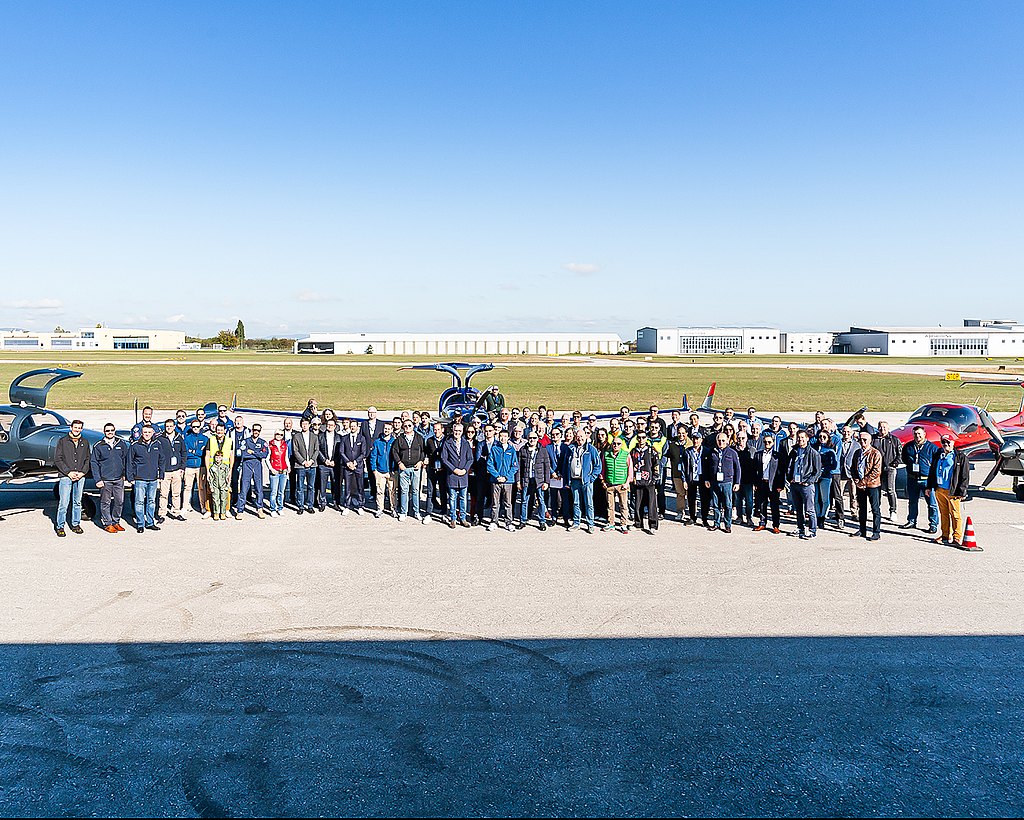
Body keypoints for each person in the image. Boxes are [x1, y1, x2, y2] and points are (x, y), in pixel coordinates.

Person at [927, 435, 971, 547]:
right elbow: (932, 471)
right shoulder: (938, 455)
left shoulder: (960, 457)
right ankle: (945, 535)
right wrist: (930, 486)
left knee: (955, 514)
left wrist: (962, 491)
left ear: (953, 442)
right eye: (943, 442)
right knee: (944, 513)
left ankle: (957, 536)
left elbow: (964, 476)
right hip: (940, 489)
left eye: (948, 442)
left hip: (953, 491)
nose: (945, 444)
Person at [54, 419, 91, 537]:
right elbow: (58, 459)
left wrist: (82, 472)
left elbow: (87, 459)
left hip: (80, 476)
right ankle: (60, 526)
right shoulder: (62, 441)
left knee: (77, 502)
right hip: (66, 476)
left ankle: (76, 524)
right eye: (75, 427)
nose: (77, 430)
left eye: (79, 428)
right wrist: (68, 472)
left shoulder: (84, 442)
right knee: (64, 503)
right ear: (71, 428)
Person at [90, 423, 129, 533]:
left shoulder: (121, 443)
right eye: (108, 431)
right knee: (105, 502)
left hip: (118, 479)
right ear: (104, 432)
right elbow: (94, 463)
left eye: (112, 430)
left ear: (114, 431)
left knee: (120, 501)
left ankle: (116, 521)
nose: (110, 432)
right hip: (105, 479)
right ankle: (108, 523)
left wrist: (125, 474)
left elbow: (125, 459)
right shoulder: (98, 446)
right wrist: (97, 479)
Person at [901, 426, 939, 534]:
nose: (917, 436)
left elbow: (936, 465)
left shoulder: (932, 448)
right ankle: (911, 521)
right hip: (912, 479)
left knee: (931, 503)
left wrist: (932, 481)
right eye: (915, 434)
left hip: (926, 480)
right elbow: (905, 459)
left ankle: (933, 524)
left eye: (919, 434)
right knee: (912, 501)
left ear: (924, 434)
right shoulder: (908, 447)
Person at [126, 424, 163, 533]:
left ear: (153, 433)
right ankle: (140, 524)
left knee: (151, 501)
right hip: (140, 478)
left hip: (153, 478)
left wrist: (161, 475)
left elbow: (162, 460)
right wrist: (130, 477)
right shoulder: (135, 445)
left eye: (149, 432)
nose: (147, 434)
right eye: (145, 432)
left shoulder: (157, 444)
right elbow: (129, 462)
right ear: (142, 433)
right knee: (139, 502)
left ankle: (150, 522)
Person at [787, 429, 823, 539]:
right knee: (798, 508)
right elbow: (789, 466)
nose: (800, 439)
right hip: (795, 484)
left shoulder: (813, 453)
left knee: (809, 509)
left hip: (806, 485)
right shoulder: (794, 451)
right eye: (799, 437)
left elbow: (817, 471)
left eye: (803, 437)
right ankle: (800, 528)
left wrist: (809, 481)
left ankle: (812, 530)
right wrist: (789, 478)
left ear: (807, 439)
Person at [703, 433, 741, 533]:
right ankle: (716, 523)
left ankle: (728, 524)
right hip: (714, 482)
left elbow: (737, 468)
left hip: (727, 482)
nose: (721, 442)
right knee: (716, 504)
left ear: (727, 441)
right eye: (719, 440)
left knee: (728, 505)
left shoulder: (732, 452)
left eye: (723, 440)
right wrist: (706, 479)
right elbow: (706, 467)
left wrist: (737, 482)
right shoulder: (712, 452)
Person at [390, 419, 427, 523]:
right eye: (405, 426)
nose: (407, 428)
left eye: (409, 426)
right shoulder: (400, 439)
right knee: (404, 491)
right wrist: (399, 463)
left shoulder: (419, 438)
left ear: (413, 426)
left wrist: (421, 461)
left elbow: (423, 451)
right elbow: (395, 451)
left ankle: (416, 512)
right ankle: (403, 512)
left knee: (415, 490)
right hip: (404, 468)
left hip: (416, 468)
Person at [566, 428, 600, 533]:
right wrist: (568, 479)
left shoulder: (591, 449)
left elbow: (598, 465)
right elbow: (566, 464)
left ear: (586, 437)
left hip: (586, 481)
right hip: (574, 480)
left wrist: (591, 477)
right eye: (578, 436)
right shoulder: (571, 448)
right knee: (576, 502)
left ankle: (590, 524)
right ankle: (576, 523)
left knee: (589, 503)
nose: (579, 438)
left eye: (581, 436)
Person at [851, 431, 882, 541]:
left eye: (865, 440)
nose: (862, 442)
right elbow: (853, 467)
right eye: (860, 440)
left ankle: (876, 531)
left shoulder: (875, 453)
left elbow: (876, 471)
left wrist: (863, 481)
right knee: (862, 508)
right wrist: (856, 479)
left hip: (872, 485)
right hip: (860, 485)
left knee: (875, 509)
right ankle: (862, 529)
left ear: (870, 441)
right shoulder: (857, 452)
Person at [441, 422, 474, 528]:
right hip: (452, 474)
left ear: (462, 432)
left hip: (463, 475)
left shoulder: (466, 443)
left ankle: (463, 518)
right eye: (456, 431)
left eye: (459, 431)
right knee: (452, 498)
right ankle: (453, 518)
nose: (457, 433)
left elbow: (470, 459)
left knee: (463, 498)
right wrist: (454, 469)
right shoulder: (447, 443)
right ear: (453, 431)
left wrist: (465, 469)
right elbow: (444, 459)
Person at [517, 431, 552, 530]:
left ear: (537, 439)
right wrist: (519, 481)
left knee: (541, 501)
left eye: (534, 438)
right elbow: (519, 467)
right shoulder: (523, 450)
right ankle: (523, 520)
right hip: (527, 479)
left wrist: (546, 482)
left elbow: (547, 467)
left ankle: (542, 521)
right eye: (530, 438)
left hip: (539, 480)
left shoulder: (543, 450)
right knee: (524, 501)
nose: (532, 440)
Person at [487, 428, 519, 531]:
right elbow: (489, 464)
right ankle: (494, 521)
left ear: (508, 438)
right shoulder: (494, 448)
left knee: (507, 503)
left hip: (508, 481)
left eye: (505, 436)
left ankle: (508, 522)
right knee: (495, 502)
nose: (503, 438)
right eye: (501, 436)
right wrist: (497, 476)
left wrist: (506, 477)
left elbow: (514, 466)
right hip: (495, 480)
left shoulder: (511, 450)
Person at [235, 424, 269, 520]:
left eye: (258, 430)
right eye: (254, 430)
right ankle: (240, 510)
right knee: (244, 489)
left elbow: (264, 454)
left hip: (257, 466)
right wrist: (257, 454)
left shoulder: (263, 442)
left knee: (259, 489)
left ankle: (260, 508)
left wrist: (253, 452)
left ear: (260, 431)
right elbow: (244, 454)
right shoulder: (245, 441)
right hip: (247, 465)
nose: (256, 432)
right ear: (252, 430)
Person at [156, 419, 186, 523]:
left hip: (177, 470)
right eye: (167, 426)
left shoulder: (179, 438)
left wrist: (182, 467)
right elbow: (158, 454)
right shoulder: (160, 439)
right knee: (163, 494)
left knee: (176, 493)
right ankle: (162, 513)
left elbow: (183, 453)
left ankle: (176, 512)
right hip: (165, 471)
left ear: (174, 427)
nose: (169, 428)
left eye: (170, 426)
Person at [753, 432, 783, 533]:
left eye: (769, 442)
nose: (767, 444)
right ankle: (762, 523)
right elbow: (755, 470)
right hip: (762, 483)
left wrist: (780, 485)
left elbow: (781, 471)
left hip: (773, 484)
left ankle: (775, 525)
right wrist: (755, 483)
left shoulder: (777, 455)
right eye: (765, 442)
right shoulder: (758, 454)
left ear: (773, 443)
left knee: (774, 505)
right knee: (762, 504)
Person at [630, 431, 660, 534]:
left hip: (649, 482)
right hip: (637, 482)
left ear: (646, 438)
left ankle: (653, 525)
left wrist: (655, 478)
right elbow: (630, 465)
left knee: (651, 504)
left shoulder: (651, 450)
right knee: (638, 504)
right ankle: (638, 523)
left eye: (643, 437)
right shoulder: (633, 451)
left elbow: (656, 464)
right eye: (639, 437)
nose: (641, 439)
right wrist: (632, 477)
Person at [602, 436, 633, 533]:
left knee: (623, 505)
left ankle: (623, 524)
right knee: (610, 505)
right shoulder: (606, 454)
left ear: (622, 445)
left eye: (618, 444)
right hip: (610, 484)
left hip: (622, 484)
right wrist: (603, 481)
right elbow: (603, 469)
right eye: (614, 443)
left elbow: (630, 470)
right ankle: (611, 523)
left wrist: (627, 482)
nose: (616, 445)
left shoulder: (626, 454)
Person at [873, 421, 902, 520]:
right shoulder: (874, 439)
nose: (882, 429)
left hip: (890, 468)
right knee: (876, 489)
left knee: (890, 490)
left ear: (888, 428)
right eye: (880, 427)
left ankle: (893, 511)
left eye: (884, 427)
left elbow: (899, 454)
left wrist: (894, 464)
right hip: (877, 469)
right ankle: (876, 509)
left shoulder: (894, 440)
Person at [204, 423, 233, 517]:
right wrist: (208, 470)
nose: (219, 432)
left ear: (225, 431)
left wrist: (230, 470)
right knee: (210, 490)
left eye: (221, 430)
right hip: (213, 469)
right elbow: (207, 455)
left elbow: (231, 456)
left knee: (226, 490)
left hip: (225, 469)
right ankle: (209, 510)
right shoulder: (211, 440)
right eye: (218, 430)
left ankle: (226, 510)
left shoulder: (229, 441)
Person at [369, 421, 396, 518]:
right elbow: (373, 456)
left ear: (391, 430)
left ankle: (393, 508)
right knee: (380, 491)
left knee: (392, 491)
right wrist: (374, 469)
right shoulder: (377, 442)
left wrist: (394, 468)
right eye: (385, 429)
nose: (387, 430)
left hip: (391, 471)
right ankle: (380, 508)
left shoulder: (394, 441)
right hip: (380, 471)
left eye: (389, 429)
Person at [182, 419, 209, 519]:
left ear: (200, 427)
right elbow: (186, 453)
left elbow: (205, 453)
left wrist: (194, 451)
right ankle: (185, 506)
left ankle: (203, 506)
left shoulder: (205, 439)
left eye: (197, 427)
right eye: (194, 427)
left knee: (201, 487)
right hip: (189, 466)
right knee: (187, 487)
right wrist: (197, 452)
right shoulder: (187, 439)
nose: (195, 429)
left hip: (200, 466)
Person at [340, 419, 367, 514]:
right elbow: (342, 452)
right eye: (351, 426)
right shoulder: (344, 438)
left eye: (354, 426)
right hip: (347, 467)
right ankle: (347, 505)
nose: (353, 427)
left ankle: (360, 505)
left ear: (357, 427)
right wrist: (347, 462)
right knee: (347, 486)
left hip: (358, 466)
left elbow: (363, 453)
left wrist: (355, 462)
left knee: (360, 486)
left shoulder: (362, 438)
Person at [813, 429, 839, 529]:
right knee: (815, 499)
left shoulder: (830, 451)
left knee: (825, 499)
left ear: (828, 438)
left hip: (825, 477)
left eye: (824, 437)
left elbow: (834, 465)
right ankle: (817, 515)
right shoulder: (814, 449)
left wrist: (823, 469)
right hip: (815, 477)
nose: (822, 439)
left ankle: (822, 517)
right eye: (820, 437)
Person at [292, 418, 318, 515]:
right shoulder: (296, 436)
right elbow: (295, 451)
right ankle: (300, 506)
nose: (304, 426)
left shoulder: (314, 436)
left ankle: (310, 505)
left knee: (311, 486)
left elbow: (316, 450)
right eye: (303, 424)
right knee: (300, 487)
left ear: (309, 425)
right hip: (300, 466)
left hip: (312, 465)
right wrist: (303, 462)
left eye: (306, 424)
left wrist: (311, 461)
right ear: (300, 425)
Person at [545, 426, 569, 526]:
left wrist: (563, 474)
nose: (555, 436)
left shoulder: (566, 447)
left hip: (563, 476)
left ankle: (566, 518)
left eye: (557, 434)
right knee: (553, 498)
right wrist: (552, 472)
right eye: (553, 435)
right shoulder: (548, 447)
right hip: (553, 476)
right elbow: (547, 462)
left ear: (561, 435)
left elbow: (567, 462)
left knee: (565, 499)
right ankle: (554, 517)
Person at [665, 425, 689, 523]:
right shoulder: (672, 445)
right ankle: (680, 511)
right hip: (676, 473)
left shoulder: (690, 444)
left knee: (690, 494)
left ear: (687, 434)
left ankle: (692, 512)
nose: (681, 435)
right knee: (680, 493)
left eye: (683, 433)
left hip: (689, 474)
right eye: (679, 433)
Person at [317, 418, 342, 511]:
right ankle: (322, 503)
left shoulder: (339, 437)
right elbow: (318, 450)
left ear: (335, 426)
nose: (329, 426)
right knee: (322, 485)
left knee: (335, 485)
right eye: (328, 425)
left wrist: (335, 461)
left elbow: (341, 451)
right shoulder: (320, 436)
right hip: (324, 465)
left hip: (335, 465)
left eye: (332, 425)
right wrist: (324, 460)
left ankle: (336, 502)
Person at [424, 421, 448, 517]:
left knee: (443, 491)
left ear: (442, 430)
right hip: (432, 469)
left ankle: (444, 510)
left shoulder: (446, 440)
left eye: (438, 429)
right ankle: (428, 512)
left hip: (443, 470)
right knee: (430, 491)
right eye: (435, 429)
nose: (436, 431)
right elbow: (426, 452)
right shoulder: (429, 440)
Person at [734, 430, 757, 527]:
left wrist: (755, 482)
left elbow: (756, 467)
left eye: (743, 438)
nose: (741, 440)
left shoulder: (752, 450)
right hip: (737, 480)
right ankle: (739, 517)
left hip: (748, 480)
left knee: (749, 501)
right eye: (739, 438)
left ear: (746, 439)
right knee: (738, 500)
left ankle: (749, 518)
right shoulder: (733, 450)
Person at [267, 429, 289, 516]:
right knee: (273, 492)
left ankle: (280, 507)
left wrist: (288, 466)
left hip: (283, 471)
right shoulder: (270, 445)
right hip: (275, 471)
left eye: (281, 434)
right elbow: (267, 458)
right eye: (277, 434)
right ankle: (272, 509)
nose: (279, 436)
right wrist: (271, 468)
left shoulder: (284, 445)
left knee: (281, 491)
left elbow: (286, 457)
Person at [208, 451, 232, 521]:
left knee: (223, 500)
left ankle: (223, 513)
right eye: (216, 457)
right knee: (215, 500)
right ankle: (216, 513)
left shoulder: (225, 467)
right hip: (215, 486)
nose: (217, 459)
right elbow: (211, 478)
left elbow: (228, 477)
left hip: (223, 485)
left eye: (219, 457)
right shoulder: (212, 468)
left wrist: (228, 486)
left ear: (222, 458)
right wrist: (211, 486)